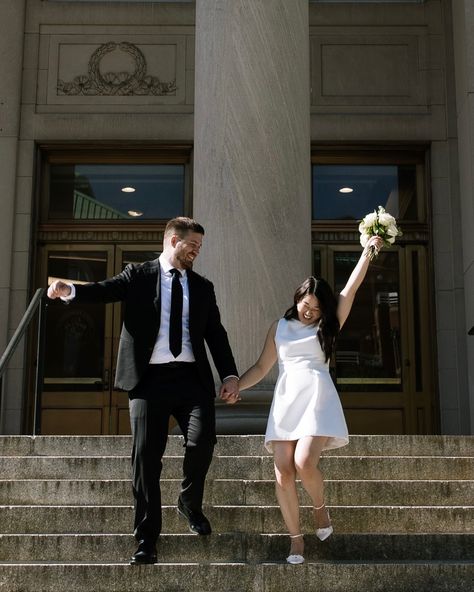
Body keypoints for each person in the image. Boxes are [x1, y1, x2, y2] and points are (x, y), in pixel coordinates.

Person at [47, 217, 240, 565]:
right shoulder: (138, 275)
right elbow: (103, 290)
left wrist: (229, 375)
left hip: (191, 379)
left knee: (202, 441)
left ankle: (188, 502)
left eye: (200, 247)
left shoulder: (202, 287)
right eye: (192, 245)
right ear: (171, 240)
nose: (197, 251)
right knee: (146, 461)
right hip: (148, 381)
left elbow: (216, 333)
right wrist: (70, 290)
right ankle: (147, 539)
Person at [238, 236, 383, 565]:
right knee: (283, 472)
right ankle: (296, 540)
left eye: (317, 309)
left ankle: (320, 510)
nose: (310, 311)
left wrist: (367, 253)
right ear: (298, 296)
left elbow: (350, 291)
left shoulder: (328, 326)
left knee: (304, 463)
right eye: (307, 304)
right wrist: (237, 385)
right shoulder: (279, 327)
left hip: (317, 396)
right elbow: (262, 367)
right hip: (287, 400)